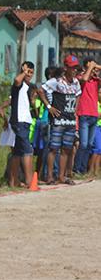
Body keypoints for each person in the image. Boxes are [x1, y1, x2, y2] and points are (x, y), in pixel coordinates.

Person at [0, 62, 38, 188]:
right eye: (28, 72)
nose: (29, 75)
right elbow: (17, 79)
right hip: (19, 121)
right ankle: (29, 181)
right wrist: (23, 72)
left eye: (31, 72)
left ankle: (13, 181)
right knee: (28, 150)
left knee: (17, 153)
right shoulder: (18, 84)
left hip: (25, 121)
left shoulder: (28, 87)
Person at [47, 56, 82, 184]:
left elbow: (78, 95)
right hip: (59, 120)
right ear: (66, 68)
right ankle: (50, 176)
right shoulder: (57, 81)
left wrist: (75, 108)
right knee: (54, 148)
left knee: (67, 149)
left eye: (76, 68)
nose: (74, 70)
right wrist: (49, 107)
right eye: (72, 68)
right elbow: (41, 90)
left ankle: (62, 176)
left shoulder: (76, 82)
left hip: (70, 120)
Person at [74, 60, 99, 176]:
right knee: (83, 144)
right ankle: (77, 168)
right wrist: (90, 68)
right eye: (91, 66)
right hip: (84, 113)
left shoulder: (96, 80)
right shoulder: (80, 77)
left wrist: (95, 67)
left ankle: (83, 169)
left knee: (89, 144)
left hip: (94, 115)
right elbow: (84, 79)